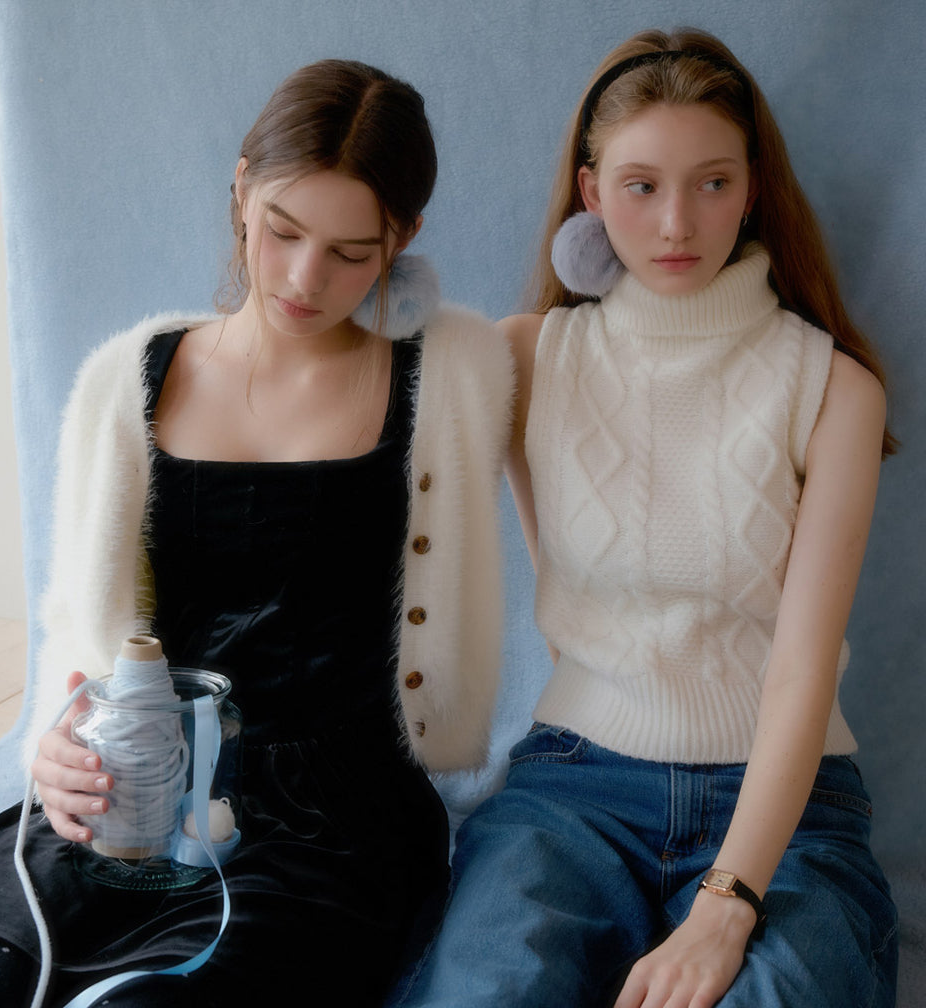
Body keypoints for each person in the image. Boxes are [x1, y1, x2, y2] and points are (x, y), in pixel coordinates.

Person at [0, 59, 513, 1007]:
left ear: (405, 237)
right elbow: (79, 635)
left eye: (351, 251)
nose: (304, 279)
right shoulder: (127, 378)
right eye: (283, 231)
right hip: (136, 789)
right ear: (240, 189)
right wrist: (58, 749)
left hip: (328, 823)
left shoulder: (454, 373)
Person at [392, 28, 898, 1008]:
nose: (676, 222)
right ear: (590, 192)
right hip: (574, 787)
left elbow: (799, 671)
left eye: (712, 183)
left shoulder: (833, 388)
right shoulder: (525, 358)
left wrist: (728, 904)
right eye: (640, 185)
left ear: (752, 190)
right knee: (487, 991)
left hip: (787, 801)